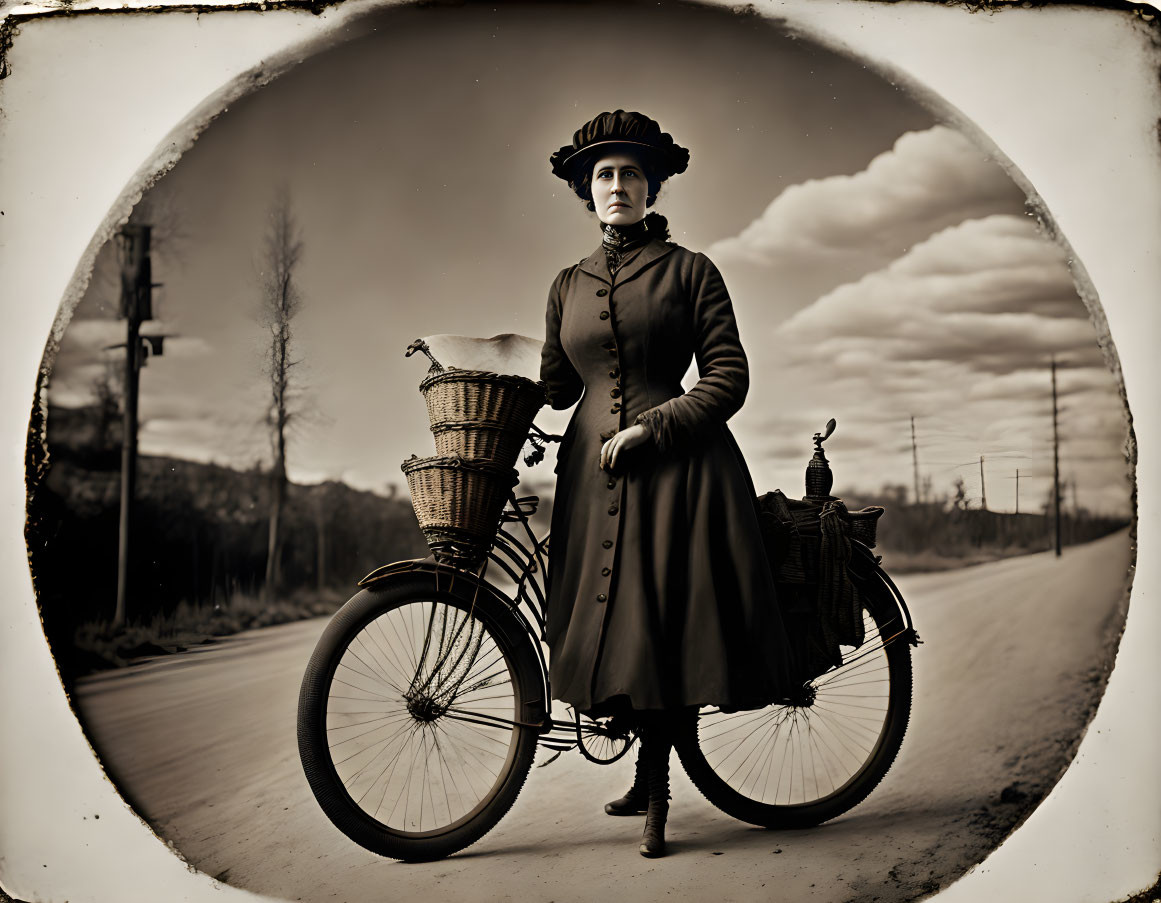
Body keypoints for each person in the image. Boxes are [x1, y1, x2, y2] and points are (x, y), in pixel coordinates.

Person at [541, 110, 796, 857]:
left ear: (650, 186)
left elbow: (728, 375)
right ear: (588, 193)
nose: (616, 185)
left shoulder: (692, 271)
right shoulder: (564, 284)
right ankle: (644, 769)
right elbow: (555, 388)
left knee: (660, 619)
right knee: (609, 618)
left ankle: (656, 791)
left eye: (629, 174)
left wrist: (655, 426)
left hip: (680, 470)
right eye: (603, 176)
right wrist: (470, 362)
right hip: (592, 475)